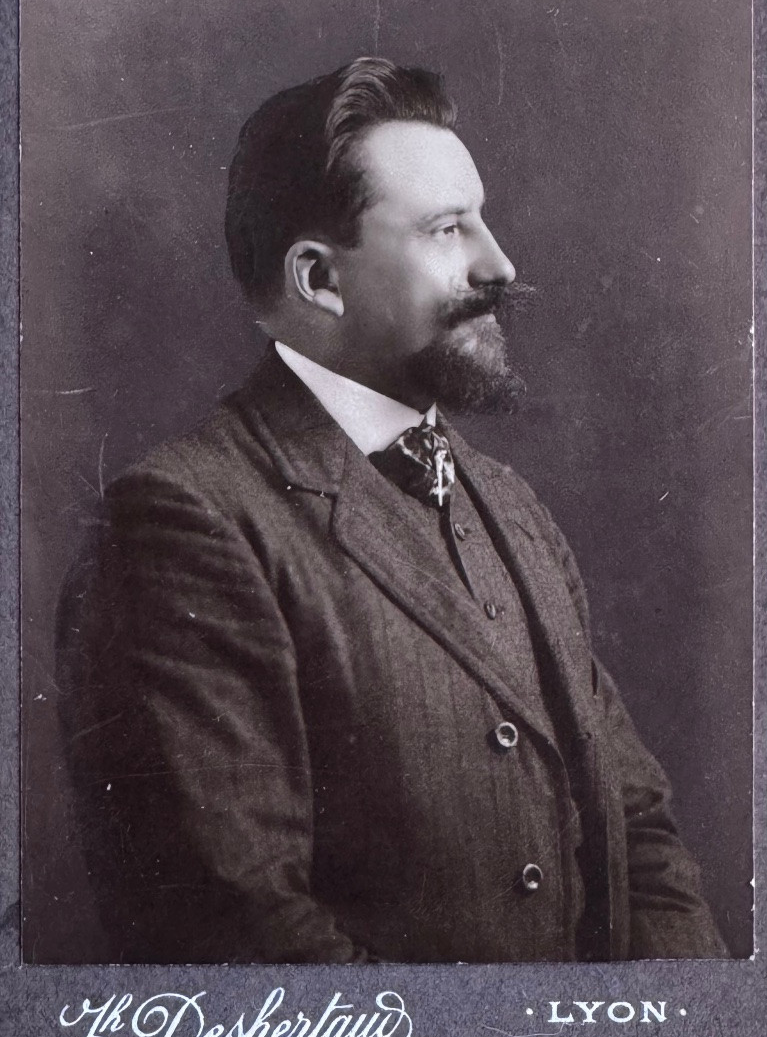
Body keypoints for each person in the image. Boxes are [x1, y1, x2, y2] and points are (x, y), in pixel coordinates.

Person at [58, 57, 726, 964]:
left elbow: (637, 833)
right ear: (319, 279)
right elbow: (242, 932)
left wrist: (665, 1029)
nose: (500, 264)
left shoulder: (513, 507)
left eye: (480, 219)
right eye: (448, 230)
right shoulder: (185, 523)